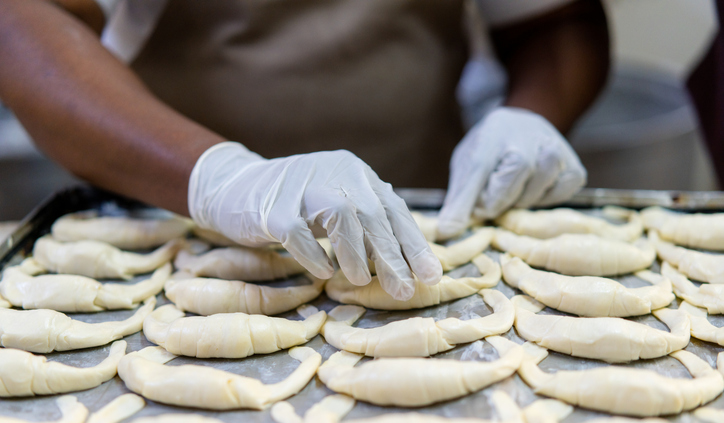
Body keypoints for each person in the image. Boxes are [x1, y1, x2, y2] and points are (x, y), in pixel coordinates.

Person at [0, 0, 609, 301]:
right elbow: (21, 22)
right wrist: (222, 179)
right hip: (175, 216)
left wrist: (530, 116)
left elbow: (554, 21)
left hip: (428, 224)